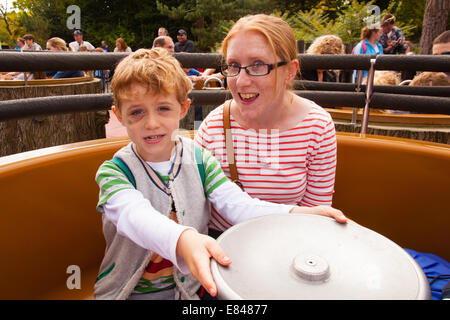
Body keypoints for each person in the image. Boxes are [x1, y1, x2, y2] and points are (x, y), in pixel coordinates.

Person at [94, 48, 347, 300]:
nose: (151, 123)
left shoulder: (200, 159)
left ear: (183, 109)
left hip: (188, 292)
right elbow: (134, 216)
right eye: (137, 112)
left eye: (163, 108)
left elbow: (237, 204)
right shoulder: (114, 173)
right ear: (119, 116)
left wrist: (295, 212)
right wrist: (185, 239)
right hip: (126, 293)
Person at [195, 14, 344, 236]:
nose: (241, 81)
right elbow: (192, 205)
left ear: (290, 71)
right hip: (223, 245)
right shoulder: (213, 127)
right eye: (233, 66)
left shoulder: (317, 127)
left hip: (286, 243)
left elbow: (314, 219)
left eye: (258, 65)